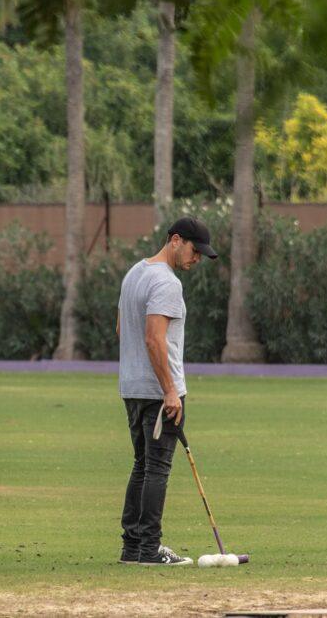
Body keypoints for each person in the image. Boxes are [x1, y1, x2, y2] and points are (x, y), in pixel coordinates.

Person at [115, 216, 218, 566]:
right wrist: (171, 391)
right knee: (157, 468)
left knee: (142, 465)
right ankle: (148, 549)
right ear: (175, 240)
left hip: (131, 388)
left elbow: (121, 329)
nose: (196, 259)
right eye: (194, 250)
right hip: (160, 392)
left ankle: (132, 548)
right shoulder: (167, 283)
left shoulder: (134, 273)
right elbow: (153, 338)